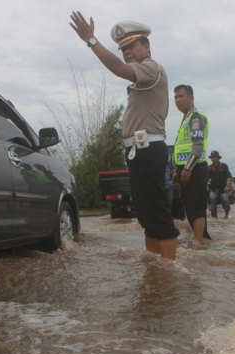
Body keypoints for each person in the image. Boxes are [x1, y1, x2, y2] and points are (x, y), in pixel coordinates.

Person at [70, 12, 179, 260]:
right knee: (146, 216)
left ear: (146, 46)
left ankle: (170, 276)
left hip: (149, 150)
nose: (126, 52)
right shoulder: (142, 78)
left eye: (131, 46)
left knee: (158, 215)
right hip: (138, 152)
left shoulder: (152, 68)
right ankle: (154, 269)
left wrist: (91, 41)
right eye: (123, 48)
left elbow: (119, 69)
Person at [171, 84, 211, 244]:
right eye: (175, 97)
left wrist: (187, 169)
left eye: (181, 96)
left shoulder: (196, 117)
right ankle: (202, 239)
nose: (178, 100)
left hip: (195, 168)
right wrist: (176, 170)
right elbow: (180, 147)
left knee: (196, 208)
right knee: (188, 207)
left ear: (191, 98)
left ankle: (198, 243)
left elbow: (197, 146)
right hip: (184, 168)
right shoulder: (186, 118)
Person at [208, 151, 232, 219]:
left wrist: (227, 186)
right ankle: (214, 218)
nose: (213, 159)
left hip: (223, 188)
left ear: (218, 158)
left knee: (226, 204)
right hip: (213, 188)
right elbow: (207, 178)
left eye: (215, 157)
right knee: (213, 205)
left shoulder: (224, 166)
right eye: (212, 157)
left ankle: (226, 216)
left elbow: (228, 176)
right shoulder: (209, 168)